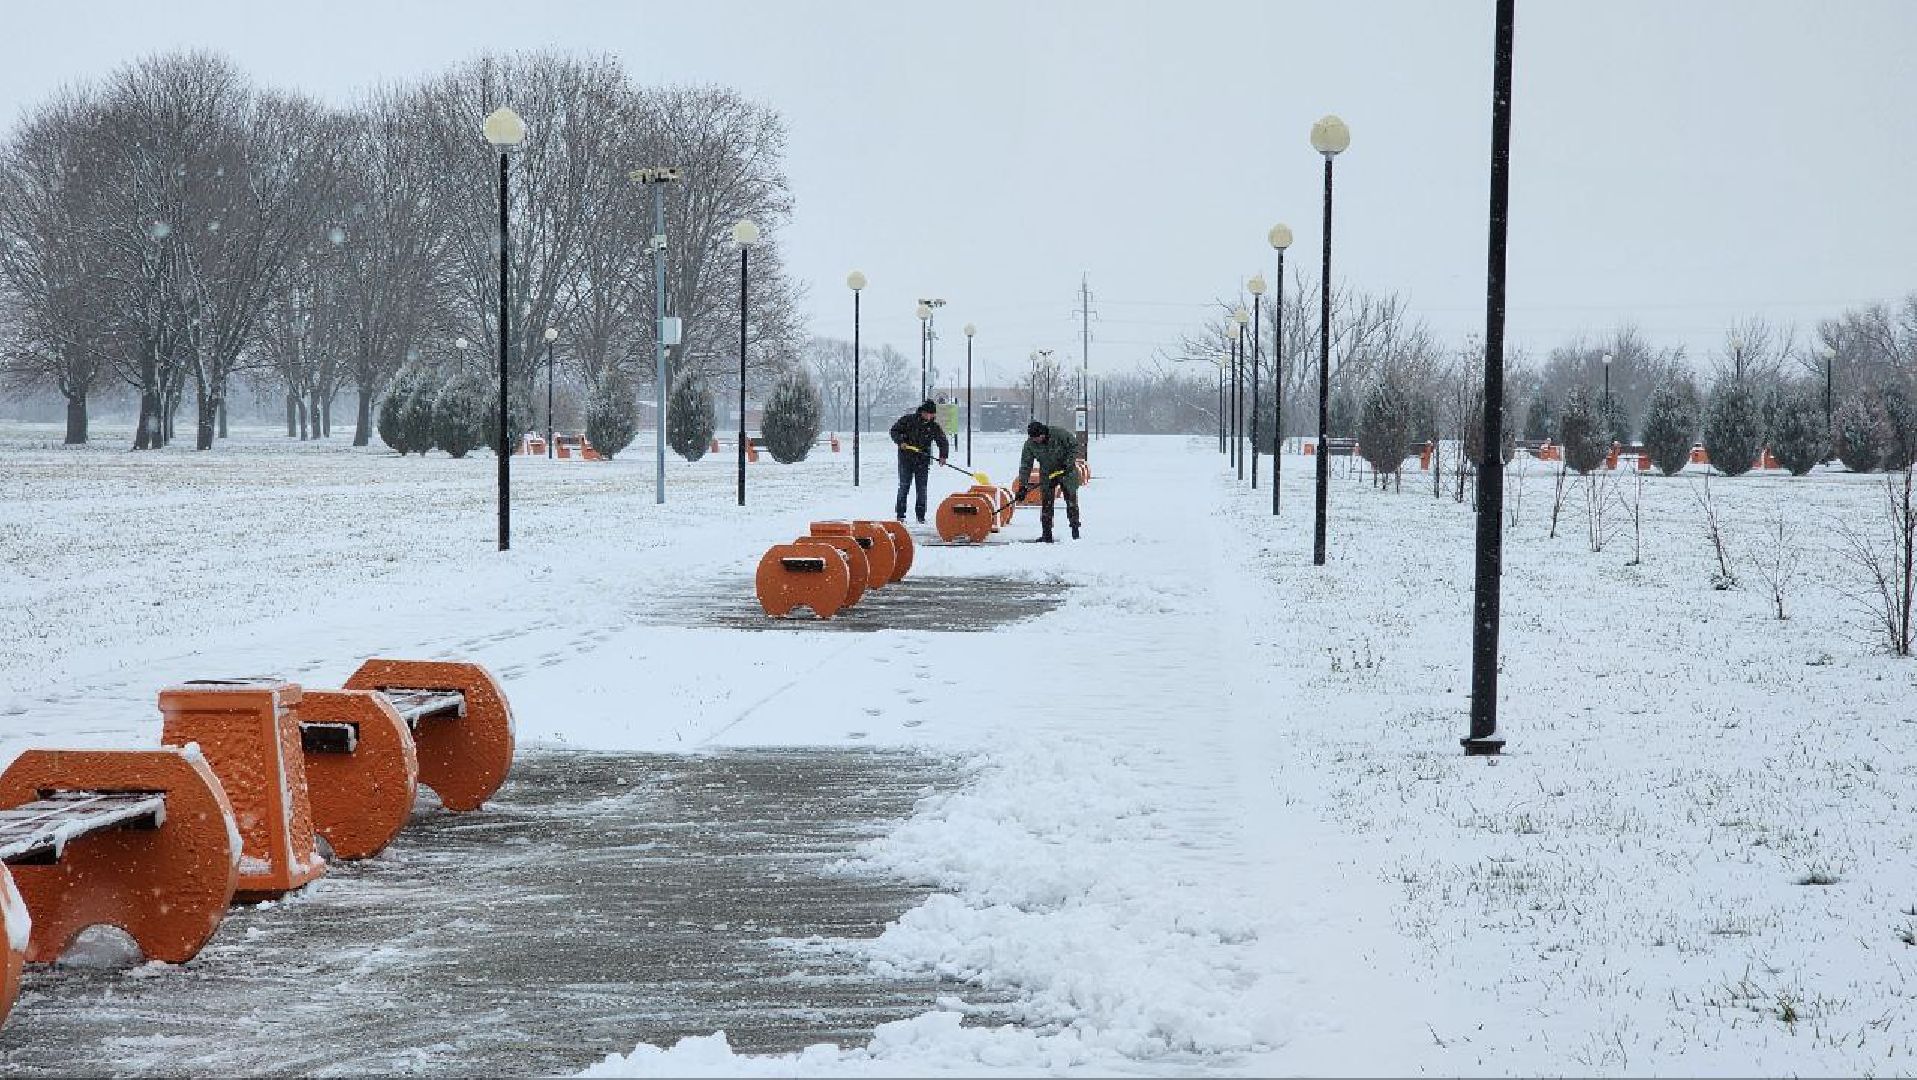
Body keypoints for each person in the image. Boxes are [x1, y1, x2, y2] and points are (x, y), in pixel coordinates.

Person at [1015, 420, 1082, 542]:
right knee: (1046, 503)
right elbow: (1026, 465)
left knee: (1071, 501)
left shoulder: (1059, 434)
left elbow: (1074, 447)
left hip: (1067, 472)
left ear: (1043, 433)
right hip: (1047, 473)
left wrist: (1066, 465)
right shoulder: (1030, 444)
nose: (1036, 441)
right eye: (1033, 439)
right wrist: (1023, 486)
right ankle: (1046, 533)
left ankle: (1075, 530)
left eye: (1037, 438)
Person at [888, 399, 950, 523]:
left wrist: (943, 456)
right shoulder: (908, 420)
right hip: (906, 460)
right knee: (904, 487)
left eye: (933, 414)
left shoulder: (933, 426)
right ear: (923, 412)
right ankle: (900, 515)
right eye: (930, 414)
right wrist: (901, 442)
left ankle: (920, 516)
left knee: (921, 488)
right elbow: (894, 431)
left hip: (923, 460)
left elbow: (942, 441)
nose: (932, 416)